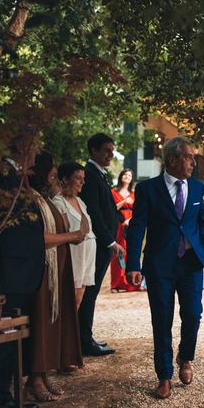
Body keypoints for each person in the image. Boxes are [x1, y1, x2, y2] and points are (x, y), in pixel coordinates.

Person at [126, 137, 204, 400]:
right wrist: (133, 264)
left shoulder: (197, 188)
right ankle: (164, 377)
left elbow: (203, 222)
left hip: (191, 264)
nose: (193, 162)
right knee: (161, 320)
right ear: (172, 159)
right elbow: (137, 227)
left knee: (193, 315)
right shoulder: (148, 189)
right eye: (188, 157)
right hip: (159, 265)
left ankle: (185, 357)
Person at [0, 136, 45, 407]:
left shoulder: (14, 176)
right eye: (36, 146)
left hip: (21, 270)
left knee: (9, 338)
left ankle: (4, 394)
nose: (38, 152)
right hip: (9, 270)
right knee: (2, 337)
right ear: (22, 147)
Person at [25, 151, 85, 401]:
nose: (53, 175)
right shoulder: (31, 199)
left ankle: (43, 373)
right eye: (50, 171)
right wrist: (72, 236)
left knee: (50, 323)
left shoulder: (42, 198)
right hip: (40, 273)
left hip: (54, 273)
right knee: (39, 323)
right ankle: (34, 379)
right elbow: (36, 239)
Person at [79, 133, 123, 356]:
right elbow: (94, 212)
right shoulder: (89, 174)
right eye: (106, 149)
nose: (110, 154)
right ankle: (84, 341)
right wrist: (110, 241)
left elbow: (107, 207)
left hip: (103, 242)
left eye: (112, 149)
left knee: (92, 292)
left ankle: (86, 337)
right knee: (90, 292)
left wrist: (120, 219)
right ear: (94, 150)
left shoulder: (100, 174)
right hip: (97, 244)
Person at [53, 162, 97, 310]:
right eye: (78, 178)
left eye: (83, 178)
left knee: (78, 301)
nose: (82, 182)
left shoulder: (80, 201)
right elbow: (60, 231)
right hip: (73, 256)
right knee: (70, 302)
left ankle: (74, 332)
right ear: (65, 179)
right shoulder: (58, 203)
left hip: (87, 256)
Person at [110, 168, 141, 292]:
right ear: (121, 177)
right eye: (125, 174)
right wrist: (124, 202)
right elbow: (112, 208)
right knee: (118, 253)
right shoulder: (113, 192)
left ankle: (132, 283)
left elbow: (139, 210)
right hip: (118, 224)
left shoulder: (134, 193)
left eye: (129, 175)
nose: (127, 177)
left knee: (131, 250)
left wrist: (130, 220)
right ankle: (117, 283)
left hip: (131, 223)